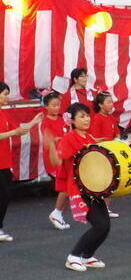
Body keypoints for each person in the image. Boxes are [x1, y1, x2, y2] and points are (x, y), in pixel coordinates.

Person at [47, 103, 110, 271]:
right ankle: (74, 256)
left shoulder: (88, 138)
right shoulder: (69, 138)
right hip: (79, 189)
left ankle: (87, 256)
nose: (87, 119)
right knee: (100, 225)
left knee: (106, 225)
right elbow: (56, 162)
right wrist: (51, 146)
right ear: (72, 121)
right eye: (82, 116)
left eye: (87, 115)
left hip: (93, 187)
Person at [0, 81, 43, 242]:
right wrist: (14, 131)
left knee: (5, 194)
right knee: (3, 194)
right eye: (4, 93)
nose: (7, 97)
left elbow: (18, 130)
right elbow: (11, 132)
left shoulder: (4, 113)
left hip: (4, 161)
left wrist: (33, 122)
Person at [89, 91, 121, 218]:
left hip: (111, 153)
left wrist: (117, 139)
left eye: (111, 102)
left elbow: (116, 132)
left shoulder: (111, 117)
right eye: (108, 102)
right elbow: (95, 138)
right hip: (101, 154)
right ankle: (99, 209)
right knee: (102, 183)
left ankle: (106, 208)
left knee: (110, 182)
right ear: (101, 105)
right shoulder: (97, 118)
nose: (111, 104)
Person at [42, 91, 71, 230]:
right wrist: (59, 140)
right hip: (54, 157)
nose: (56, 108)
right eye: (53, 105)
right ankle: (57, 213)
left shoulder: (61, 119)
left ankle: (58, 214)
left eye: (58, 105)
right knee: (66, 186)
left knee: (69, 187)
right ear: (46, 106)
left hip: (64, 155)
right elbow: (48, 140)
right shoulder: (46, 121)